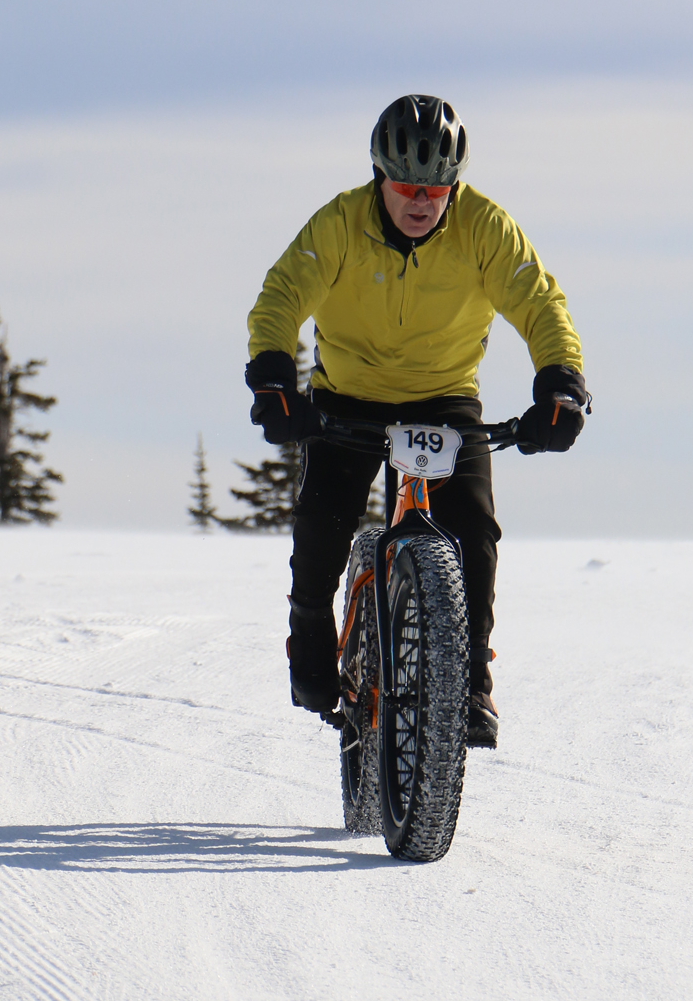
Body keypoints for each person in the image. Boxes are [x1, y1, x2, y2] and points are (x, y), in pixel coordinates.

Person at [245, 94, 588, 749]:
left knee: (474, 529)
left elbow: (538, 300)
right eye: (407, 185)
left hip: (442, 397)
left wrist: (561, 385)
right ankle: (313, 627)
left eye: (436, 187)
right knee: (325, 515)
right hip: (348, 395)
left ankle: (469, 677)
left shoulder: (484, 227)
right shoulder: (340, 224)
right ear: (380, 176)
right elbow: (282, 294)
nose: (422, 201)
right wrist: (271, 378)